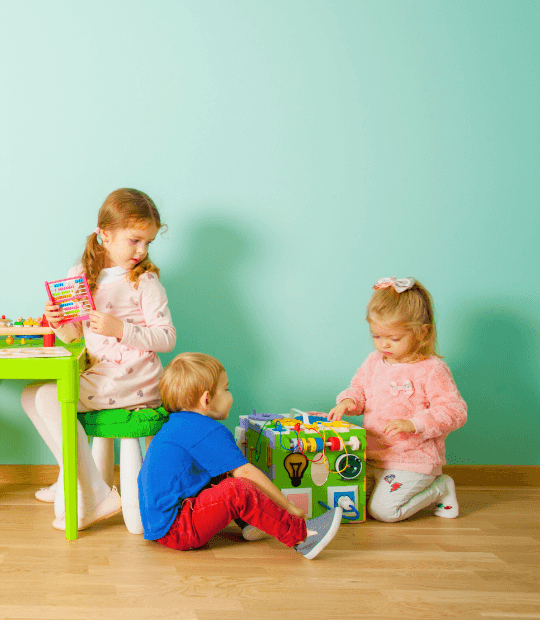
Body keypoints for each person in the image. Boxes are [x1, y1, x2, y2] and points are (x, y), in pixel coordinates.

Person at [23, 188, 174, 531]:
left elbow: (167, 338)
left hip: (134, 378)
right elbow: (75, 337)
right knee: (31, 394)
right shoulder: (80, 273)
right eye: (135, 240)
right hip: (104, 373)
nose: (142, 250)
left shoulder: (144, 281)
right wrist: (58, 322)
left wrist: (121, 328)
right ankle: (81, 482)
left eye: (148, 243)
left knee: (48, 397)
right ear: (104, 234)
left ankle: (94, 492)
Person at [139, 353, 343, 559]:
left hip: (159, 523)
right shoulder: (206, 430)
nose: (229, 394)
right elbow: (245, 472)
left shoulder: (176, 425)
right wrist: (289, 507)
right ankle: (302, 535)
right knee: (237, 489)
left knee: (224, 469)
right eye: (226, 389)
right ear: (207, 399)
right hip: (177, 529)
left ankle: (251, 524)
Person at [328, 277, 467, 521]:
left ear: (421, 332)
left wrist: (415, 424)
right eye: (376, 336)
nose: (383, 345)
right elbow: (358, 389)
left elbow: (455, 411)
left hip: (413, 460)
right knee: (346, 504)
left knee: (383, 512)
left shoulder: (431, 369)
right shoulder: (374, 362)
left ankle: (440, 488)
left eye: (393, 338)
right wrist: (348, 401)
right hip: (374, 456)